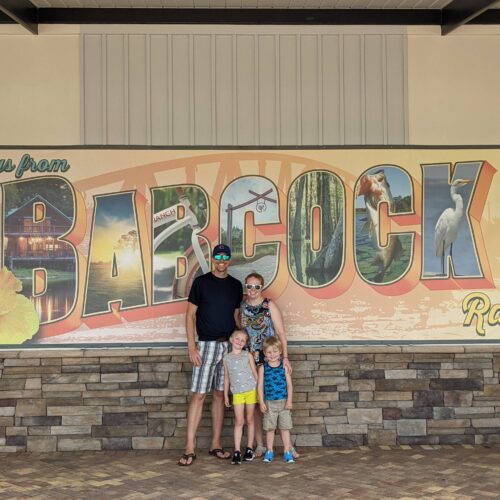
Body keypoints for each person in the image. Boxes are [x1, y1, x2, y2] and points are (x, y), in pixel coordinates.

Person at [178, 244, 243, 467]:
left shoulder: (236, 286)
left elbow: (236, 318)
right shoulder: (201, 283)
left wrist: (240, 346)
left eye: (226, 257)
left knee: (218, 395)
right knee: (198, 395)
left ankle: (215, 444)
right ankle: (189, 448)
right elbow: (190, 316)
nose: (222, 260)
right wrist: (191, 347)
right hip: (205, 346)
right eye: (218, 257)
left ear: (230, 260)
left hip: (227, 347)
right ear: (213, 259)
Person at [239, 271, 297, 458]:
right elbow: (241, 331)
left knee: (276, 400)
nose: (253, 290)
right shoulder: (242, 306)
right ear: (245, 286)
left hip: (270, 358)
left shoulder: (269, 305)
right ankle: (261, 445)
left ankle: (288, 447)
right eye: (249, 286)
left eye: (256, 286)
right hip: (250, 359)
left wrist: (285, 357)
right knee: (256, 402)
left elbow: (280, 332)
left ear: (261, 287)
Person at [223, 329, 258, 465]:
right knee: (239, 421)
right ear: (231, 339)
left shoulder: (247, 355)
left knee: (250, 419)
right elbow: (226, 377)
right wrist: (226, 394)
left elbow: (255, 373)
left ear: (245, 344)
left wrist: (260, 391)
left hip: (251, 390)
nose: (239, 342)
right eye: (237, 339)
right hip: (237, 393)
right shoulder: (226, 358)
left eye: (243, 340)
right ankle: (237, 451)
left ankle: (249, 448)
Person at [257, 336, 295, 463]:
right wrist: (261, 402)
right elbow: (260, 386)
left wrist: (289, 401)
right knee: (270, 428)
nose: (272, 354)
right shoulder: (263, 368)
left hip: (284, 402)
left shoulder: (284, 367)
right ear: (265, 353)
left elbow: (289, 385)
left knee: (285, 428)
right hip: (269, 403)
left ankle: (287, 451)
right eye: (269, 352)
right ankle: (269, 451)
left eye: (275, 351)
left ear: (280, 352)